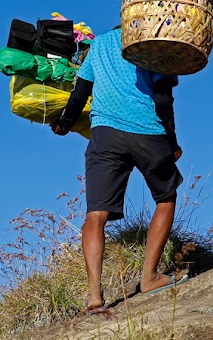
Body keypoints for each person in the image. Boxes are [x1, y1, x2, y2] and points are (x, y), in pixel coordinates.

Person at [51, 27, 185, 313]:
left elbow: (79, 93)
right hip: (148, 131)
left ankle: (94, 298)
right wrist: (172, 140)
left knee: (95, 215)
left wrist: (64, 124)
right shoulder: (151, 44)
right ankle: (149, 277)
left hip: (105, 135)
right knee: (166, 198)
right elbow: (163, 99)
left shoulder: (98, 46)